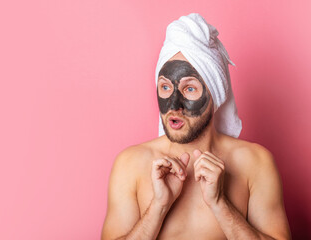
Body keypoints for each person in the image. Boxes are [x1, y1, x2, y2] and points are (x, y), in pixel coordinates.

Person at [101, 13, 291, 240]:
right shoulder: (130, 164)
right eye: (165, 87)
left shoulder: (255, 163)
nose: (173, 105)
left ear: (215, 93)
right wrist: (158, 207)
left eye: (189, 89)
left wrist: (220, 204)